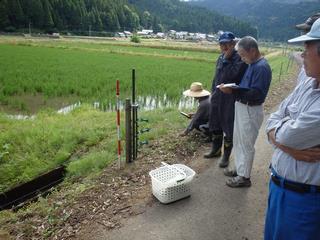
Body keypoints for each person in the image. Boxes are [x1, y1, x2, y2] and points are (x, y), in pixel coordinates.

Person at [264, 18, 320, 240]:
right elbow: (273, 116)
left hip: (305, 201)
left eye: (307, 47)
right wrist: (288, 148)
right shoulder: (308, 82)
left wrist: (281, 138)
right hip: (280, 188)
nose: (302, 54)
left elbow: (288, 134)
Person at [219, 36, 272, 187]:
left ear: (253, 51)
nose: (241, 58)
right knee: (239, 141)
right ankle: (239, 168)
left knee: (246, 144)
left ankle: (244, 177)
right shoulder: (253, 63)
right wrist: (233, 87)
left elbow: (256, 94)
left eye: (243, 54)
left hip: (250, 108)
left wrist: (232, 91)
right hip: (243, 107)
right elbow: (246, 86)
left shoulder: (261, 67)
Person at [204, 32, 248, 169]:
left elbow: (231, 75)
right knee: (215, 124)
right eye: (221, 43)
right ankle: (216, 150)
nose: (224, 46)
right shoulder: (220, 57)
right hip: (218, 96)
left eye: (227, 43)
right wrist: (212, 93)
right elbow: (216, 77)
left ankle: (226, 157)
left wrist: (227, 60)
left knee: (228, 127)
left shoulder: (239, 59)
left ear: (233, 44)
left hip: (230, 98)